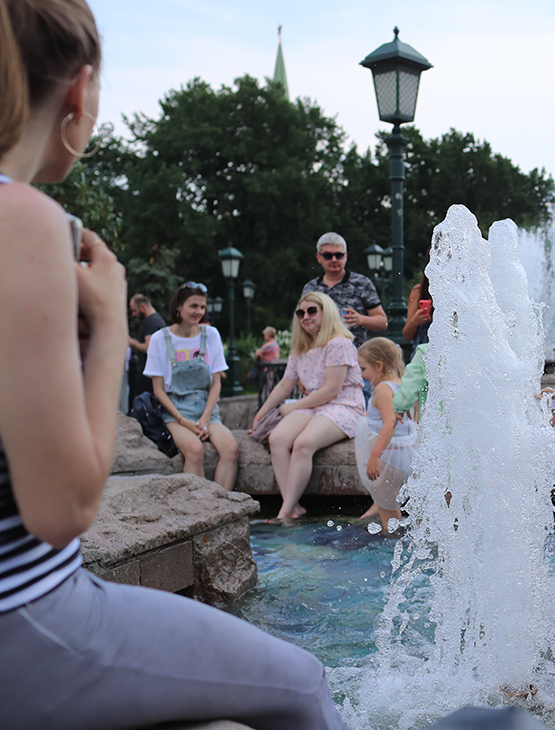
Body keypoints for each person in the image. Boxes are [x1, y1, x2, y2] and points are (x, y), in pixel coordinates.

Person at [0, 1, 344, 727]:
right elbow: (62, 511)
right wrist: (107, 316)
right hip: (28, 616)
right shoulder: (23, 219)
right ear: (77, 92)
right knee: (305, 686)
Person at [252, 292, 365, 520]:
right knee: (277, 439)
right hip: (314, 405)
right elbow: (285, 385)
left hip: (343, 405)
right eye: (300, 312)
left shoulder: (339, 343)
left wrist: (293, 407)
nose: (305, 316)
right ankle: (293, 507)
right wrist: (260, 415)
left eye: (312, 310)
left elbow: (332, 390)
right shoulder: (301, 348)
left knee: (303, 444)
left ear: (326, 312)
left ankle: (284, 513)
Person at [144, 282, 239, 490]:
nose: (199, 312)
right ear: (178, 307)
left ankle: (223, 503)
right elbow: (158, 390)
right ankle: (198, 508)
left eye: (202, 307)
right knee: (194, 449)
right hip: (176, 412)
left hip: (207, 410)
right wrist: (183, 420)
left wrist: (205, 419)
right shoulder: (160, 338)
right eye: (193, 306)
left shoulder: (211, 335)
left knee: (230, 448)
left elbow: (216, 383)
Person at [355, 338, 416, 534]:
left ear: (378, 365)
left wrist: (375, 455)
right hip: (404, 457)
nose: (362, 374)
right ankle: (379, 506)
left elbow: (390, 422)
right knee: (390, 502)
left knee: (389, 520)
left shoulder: (383, 389)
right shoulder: (405, 386)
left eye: (363, 368)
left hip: (387, 460)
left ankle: (389, 547)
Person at [301, 231, 387, 346]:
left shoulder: (361, 283)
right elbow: (301, 321)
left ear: (346, 256)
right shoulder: (310, 288)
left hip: (354, 355)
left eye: (339, 255)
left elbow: (383, 322)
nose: (334, 260)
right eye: (327, 256)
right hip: (319, 355)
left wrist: (361, 319)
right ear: (319, 257)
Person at [127, 293, 167, 409]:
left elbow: (148, 348)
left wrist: (131, 342)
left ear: (143, 307)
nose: (134, 314)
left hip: (146, 375)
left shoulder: (151, 322)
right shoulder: (157, 320)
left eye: (134, 310)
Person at [402, 253, 432, 361]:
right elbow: (407, 336)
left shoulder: (458, 294)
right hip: (421, 357)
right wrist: (414, 321)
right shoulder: (418, 292)